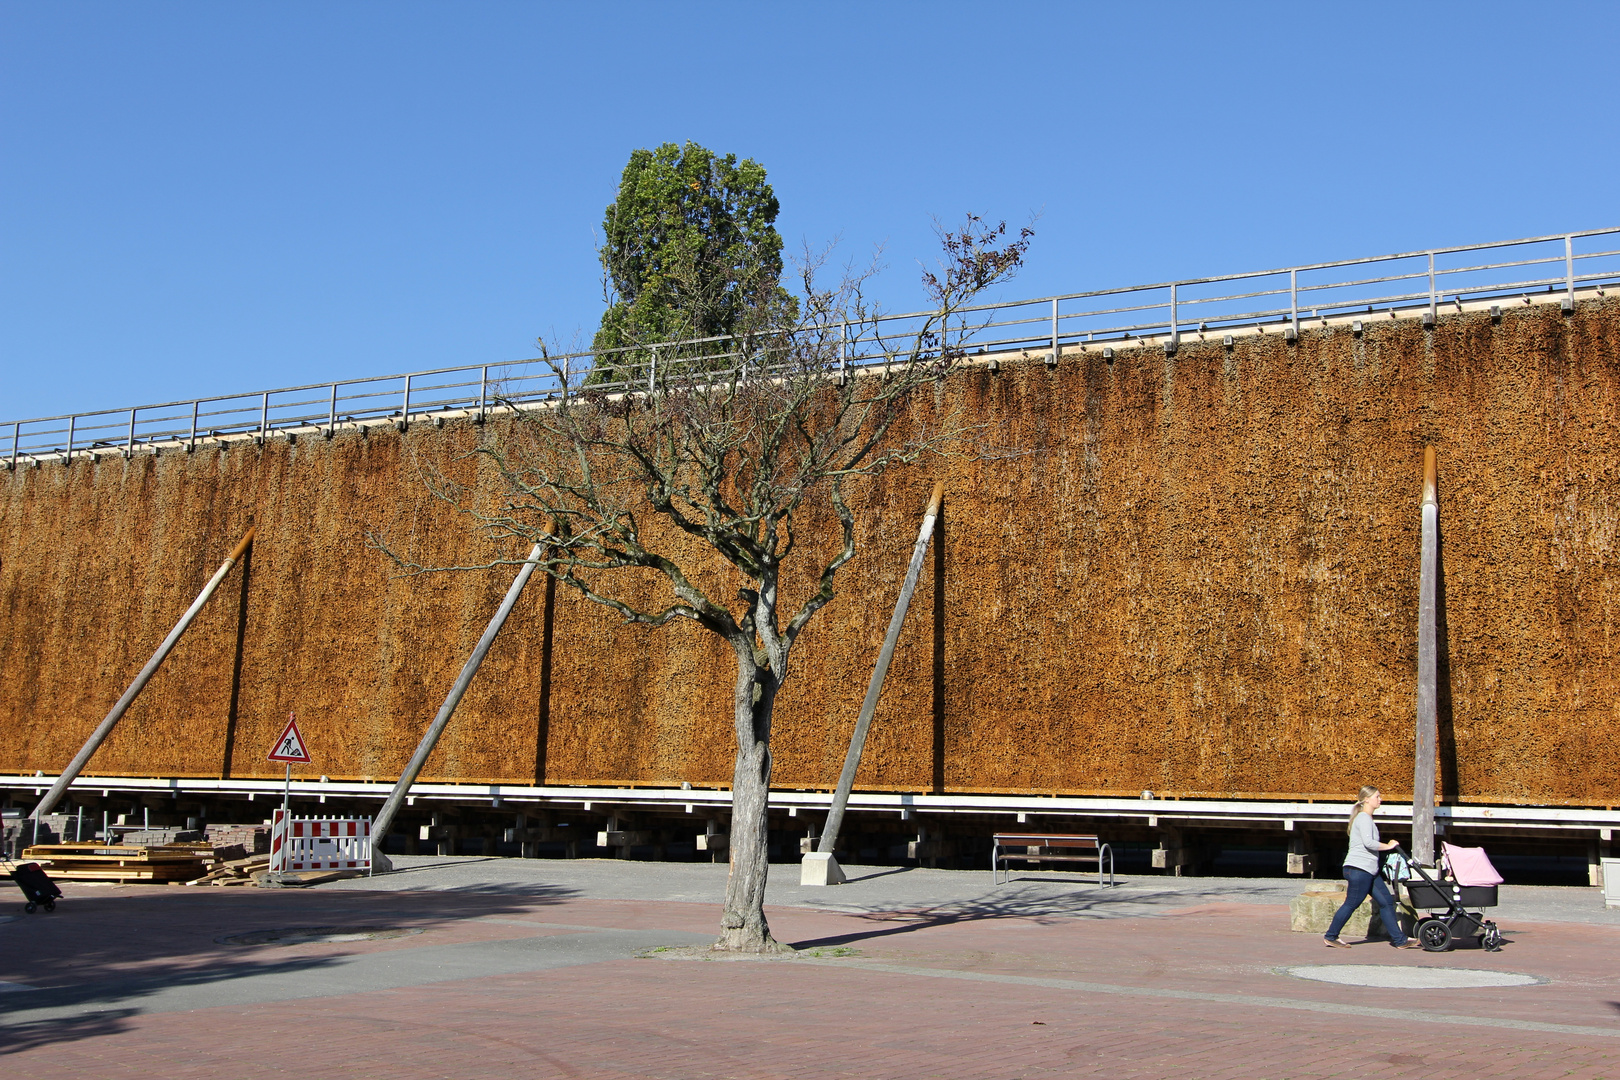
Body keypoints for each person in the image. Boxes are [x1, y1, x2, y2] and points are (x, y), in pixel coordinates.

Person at [1323, 785, 1419, 949]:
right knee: (1352, 903)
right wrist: (1388, 846)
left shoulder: (1365, 818)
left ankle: (1400, 940)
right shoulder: (1363, 818)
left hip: (1369, 871)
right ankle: (1331, 936)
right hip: (1359, 869)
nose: (1380, 799)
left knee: (1387, 902)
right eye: (1377, 796)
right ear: (1366, 799)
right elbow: (1369, 843)